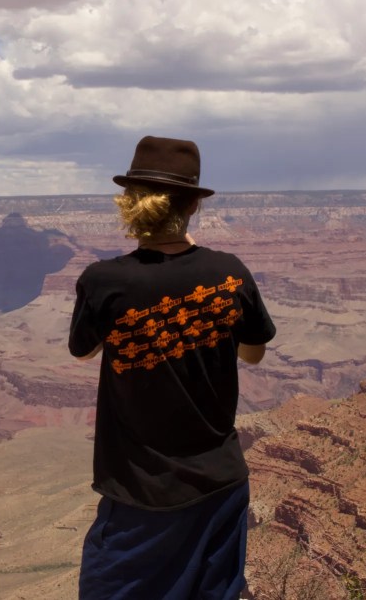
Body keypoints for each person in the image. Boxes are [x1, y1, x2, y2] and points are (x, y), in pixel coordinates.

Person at [69, 135, 276, 600]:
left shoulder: (104, 280)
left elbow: (83, 352)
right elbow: (253, 351)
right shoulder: (230, 273)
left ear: (131, 203)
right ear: (193, 207)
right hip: (220, 486)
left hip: (141, 493)